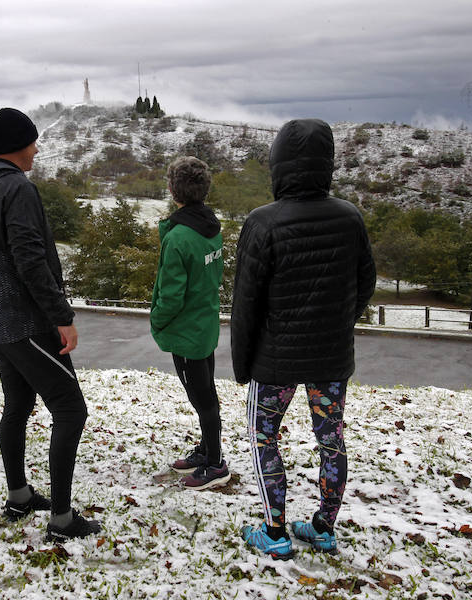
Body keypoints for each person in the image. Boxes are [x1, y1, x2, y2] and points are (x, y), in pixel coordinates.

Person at [232, 119, 376, 559]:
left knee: (264, 439)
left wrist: (242, 364)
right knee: (331, 441)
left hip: (274, 361)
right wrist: (339, 322)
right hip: (331, 358)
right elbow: (365, 281)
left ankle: (274, 531)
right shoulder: (349, 216)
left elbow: (246, 303)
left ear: (278, 166)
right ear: (326, 166)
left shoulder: (262, 222)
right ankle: (322, 528)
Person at [0, 107, 100, 541]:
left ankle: (20, 497)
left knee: (18, 407)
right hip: (25, 323)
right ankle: (62, 520)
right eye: (33, 142)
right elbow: (29, 258)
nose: (37, 149)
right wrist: (61, 316)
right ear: (18, 146)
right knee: (70, 409)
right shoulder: (16, 188)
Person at [150, 156, 229, 490]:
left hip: (186, 332)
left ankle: (215, 464)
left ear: (172, 190)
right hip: (205, 323)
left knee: (203, 398)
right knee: (205, 392)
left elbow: (171, 296)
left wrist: (157, 321)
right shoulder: (210, 226)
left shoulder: (179, 237)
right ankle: (206, 450)